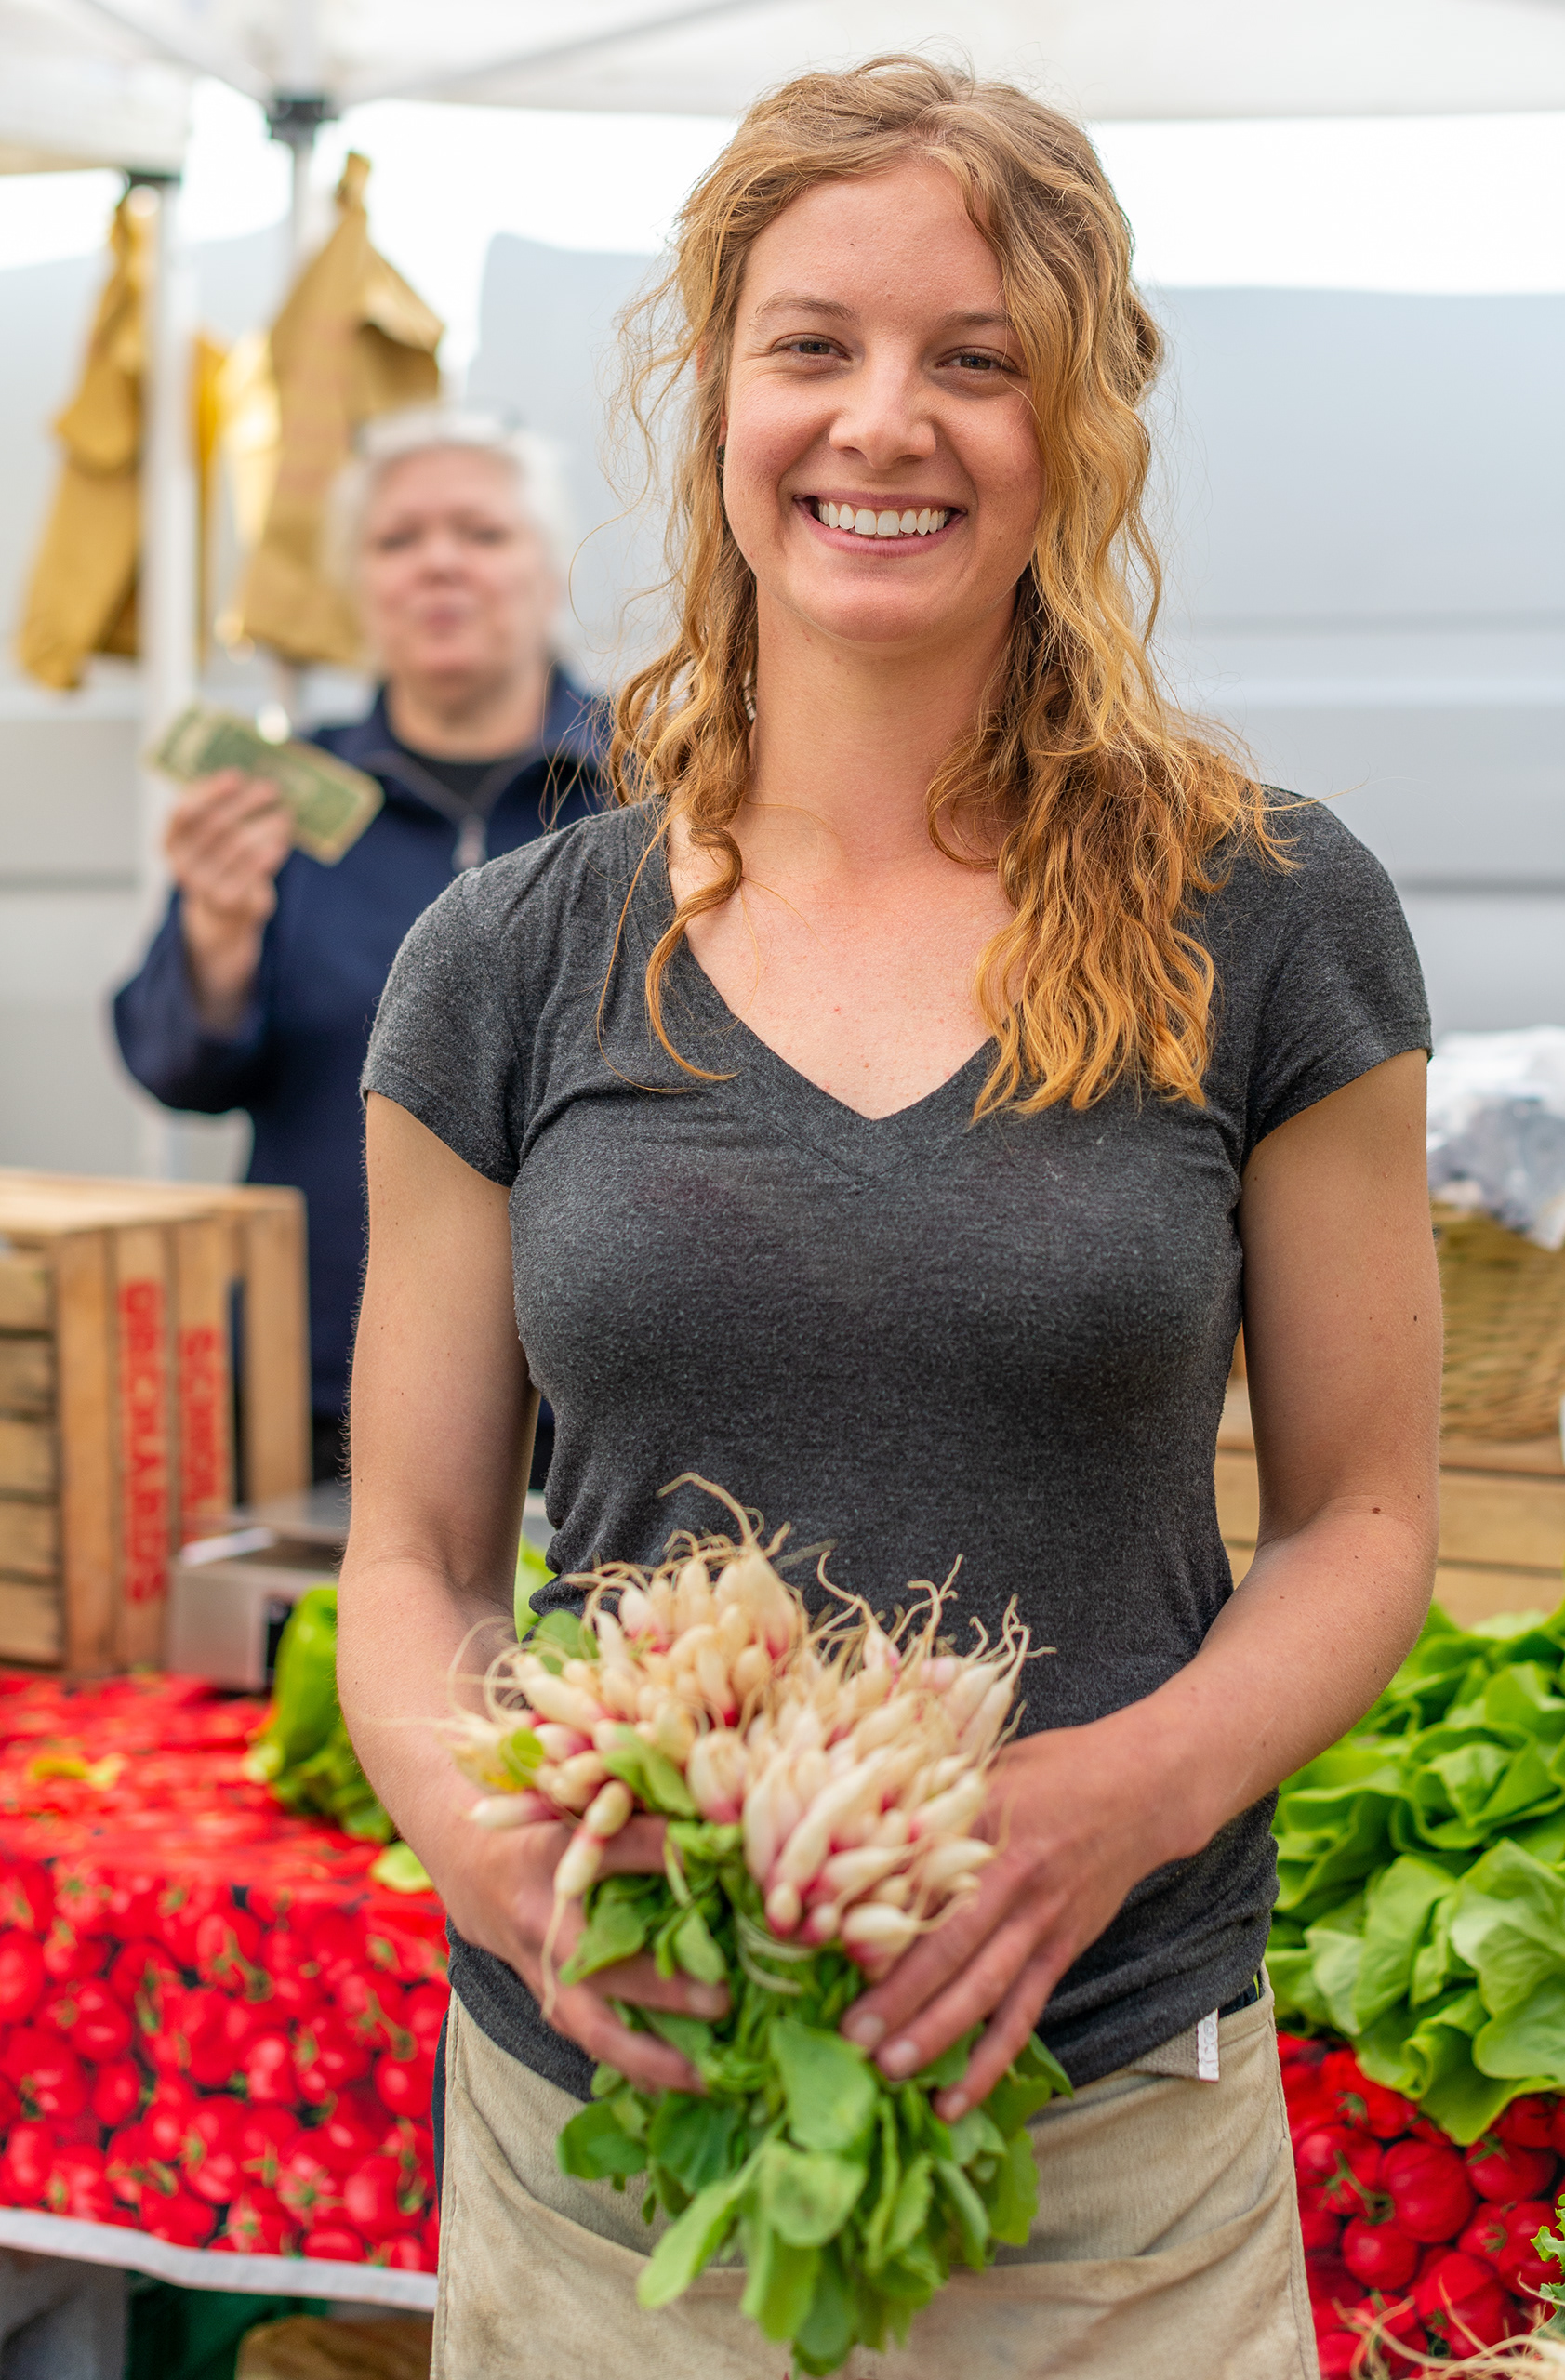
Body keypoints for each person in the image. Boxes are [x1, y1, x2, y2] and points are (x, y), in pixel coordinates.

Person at [338, 56, 1440, 2380]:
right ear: (714, 393)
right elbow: (416, 1556)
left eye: (977, 358)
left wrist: (1118, 1796)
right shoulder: (508, 960)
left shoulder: (1271, 915)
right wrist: (498, 1851)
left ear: (1079, 421)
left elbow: (1363, 1519)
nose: (884, 423)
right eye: (812, 346)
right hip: (604, 2152)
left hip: (1113, 2135)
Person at [113, 410, 607, 1482]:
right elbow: (174, 1069)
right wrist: (216, 932)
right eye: (397, 540)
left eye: (480, 532)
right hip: (324, 1394)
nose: (439, 562)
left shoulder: (664, 786)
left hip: (606, 1405)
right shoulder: (276, 804)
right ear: (358, 588)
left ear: (549, 568)